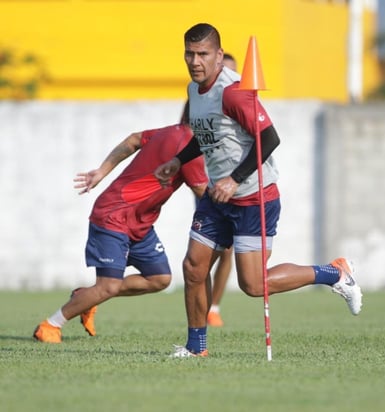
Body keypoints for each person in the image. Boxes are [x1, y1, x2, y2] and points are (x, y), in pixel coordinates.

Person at [154, 23, 363, 357]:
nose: (195, 61)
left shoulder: (234, 92)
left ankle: (334, 273)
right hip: (217, 199)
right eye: (189, 54)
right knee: (194, 267)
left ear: (219, 55)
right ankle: (196, 348)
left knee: (253, 285)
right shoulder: (194, 92)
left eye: (203, 54)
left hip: (254, 198)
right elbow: (207, 136)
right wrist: (178, 161)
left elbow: (270, 139)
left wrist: (234, 179)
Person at [33, 124, 208, 343]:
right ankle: (50, 324)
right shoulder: (190, 150)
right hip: (113, 216)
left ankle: (85, 297)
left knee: (159, 279)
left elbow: (134, 139)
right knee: (108, 286)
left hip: (140, 223)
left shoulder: (171, 132)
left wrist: (101, 171)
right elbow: (204, 192)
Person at [206, 52, 237, 327]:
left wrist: (237, 179)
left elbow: (268, 138)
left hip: (238, 191)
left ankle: (213, 307)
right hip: (208, 186)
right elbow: (188, 134)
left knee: (227, 251)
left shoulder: (239, 98)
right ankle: (200, 313)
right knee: (200, 254)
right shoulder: (199, 98)